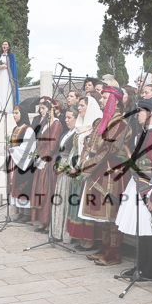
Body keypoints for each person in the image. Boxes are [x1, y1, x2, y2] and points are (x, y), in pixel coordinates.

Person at [115, 99, 152, 280]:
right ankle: (140, 267)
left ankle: (151, 269)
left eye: (140, 111)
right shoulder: (138, 136)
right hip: (137, 185)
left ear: (150, 113)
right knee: (141, 229)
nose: (137, 115)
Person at [80, 86, 131, 266]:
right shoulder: (103, 121)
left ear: (115, 102)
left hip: (113, 172)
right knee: (103, 215)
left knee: (112, 214)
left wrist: (87, 166)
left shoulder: (120, 123)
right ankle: (104, 247)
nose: (100, 100)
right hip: (100, 170)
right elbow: (90, 144)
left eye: (104, 97)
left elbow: (108, 149)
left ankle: (114, 253)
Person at [66, 96, 103, 249]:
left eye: (82, 105)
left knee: (87, 205)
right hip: (77, 168)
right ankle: (82, 237)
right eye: (79, 105)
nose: (79, 108)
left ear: (90, 107)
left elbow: (93, 151)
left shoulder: (95, 126)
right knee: (79, 204)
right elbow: (76, 149)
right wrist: (72, 165)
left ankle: (91, 239)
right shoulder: (80, 126)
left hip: (89, 171)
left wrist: (82, 166)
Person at [31, 100, 63, 232]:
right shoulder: (45, 123)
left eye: (43, 108)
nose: (41, 111)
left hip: (48, 160)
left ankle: (49, 221)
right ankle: (43, 221)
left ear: (50, 110)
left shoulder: (56, 124)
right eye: (40, 108)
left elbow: (52, 144)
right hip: (41, 159)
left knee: (47, 190)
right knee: (41, 191)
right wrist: (37, 155)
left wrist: (43, 157)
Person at [50, 107, 79, 243]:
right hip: (61, 167)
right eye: (66, 117)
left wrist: (64, 168)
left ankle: (66, 234)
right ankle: (57, 232)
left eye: (69, 118)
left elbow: (77, 155)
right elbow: (60, 152)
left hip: (69, 170)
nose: (66, 120)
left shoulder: (77, 134)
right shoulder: (66, 134)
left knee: (66, 199)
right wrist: (56, 164)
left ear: (77, 118)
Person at [7, 106, 36, 223]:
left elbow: (27, 148)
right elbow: (11, 143)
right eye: (13, 113)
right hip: (15, 161)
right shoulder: (15, 129)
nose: (14, 115)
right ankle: (20, 211)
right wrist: (8, 147)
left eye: (16, 113)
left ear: (22, 114)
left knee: (24, 186)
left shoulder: (28, 130)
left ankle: (27, 214)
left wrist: (12, 149)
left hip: (25, 163)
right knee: (16, 186)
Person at [0, 41, 19, 114]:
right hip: (0, 75)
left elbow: (12, 66)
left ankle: (7, 109)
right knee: (0, 90)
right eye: (3, 44)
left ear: (8, 46)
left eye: (6, 44)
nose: (4, 46)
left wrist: (5, 66)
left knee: (6, 90)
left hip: (7, 75)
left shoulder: (11, 56)